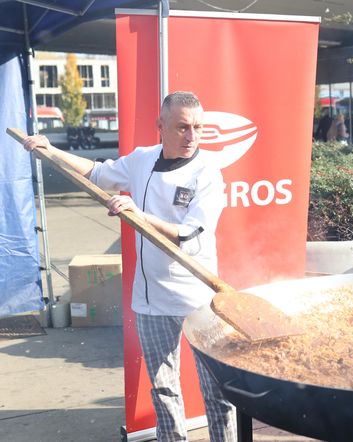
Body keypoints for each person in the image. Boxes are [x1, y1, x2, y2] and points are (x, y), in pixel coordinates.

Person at [21, 91, 236, 442]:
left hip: (198, 295)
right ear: (160, 127)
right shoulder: (141, 160)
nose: (191, 136)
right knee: (164, 388)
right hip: (151, 297)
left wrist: (139, 215)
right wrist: (50, 150)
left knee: (215, 390)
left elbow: (192, 233)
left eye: (198, 127)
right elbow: (98, 172)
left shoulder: (208, 173)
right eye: (182, 127)